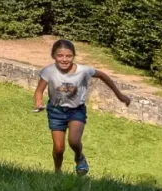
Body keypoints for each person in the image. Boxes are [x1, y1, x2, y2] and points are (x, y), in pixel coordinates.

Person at [32, 39, 131, 175]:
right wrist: (38, 102)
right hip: (56, 111)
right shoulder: (48, 71)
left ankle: (79, 157)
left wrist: (120, 95)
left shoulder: (83, 71)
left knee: (74, 140)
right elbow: (39, 91)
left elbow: (103, 76)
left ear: (74, 56)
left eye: (69, 56)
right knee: (59, 148)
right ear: (53, 56)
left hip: (76, 110)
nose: (64, 59)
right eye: (60, 56)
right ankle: (57, 171)